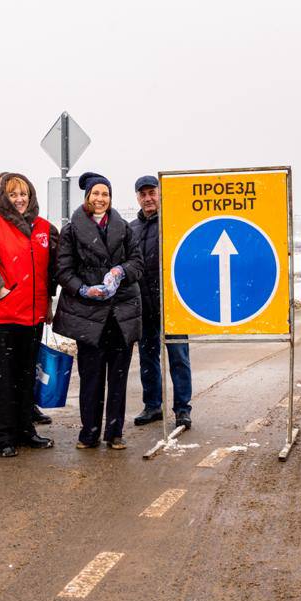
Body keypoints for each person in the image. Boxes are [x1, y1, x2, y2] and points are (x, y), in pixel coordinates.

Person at [0, 173, 60, 457]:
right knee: (3, 378)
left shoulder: (44, 228)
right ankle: (4, 435)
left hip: (32, 316)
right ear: (3, 198)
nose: (19, 200)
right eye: (13, 195)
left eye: (24, 194)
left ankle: (25, 429)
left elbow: (55, 266)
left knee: (25, 375)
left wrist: (49, 298)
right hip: (3, 316)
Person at [54, 172, 144, 450]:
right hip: (89, 315)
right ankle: (89, 432)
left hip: (121, 313)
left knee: (118, 377)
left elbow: (137, 263)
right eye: (96, 194)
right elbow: (63, 270)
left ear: (111, 198)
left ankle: (114, 432)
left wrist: (120, 271)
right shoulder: (71, 230)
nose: (101, 199)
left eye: (105, 194)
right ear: (87, 198)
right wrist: (83, 289)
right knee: (91, 377)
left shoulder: (124, 227)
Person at [130, 175, 193, 430]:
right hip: (143, 306)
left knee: (179, 357)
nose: (148, 198)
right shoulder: (132, 228)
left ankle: (182, 409)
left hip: (172, 304)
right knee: (147, 357)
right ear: (137, 197)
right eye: (143, 194)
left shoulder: (174, 223)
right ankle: (153, 406)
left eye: (152, 193)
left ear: (160, 194)